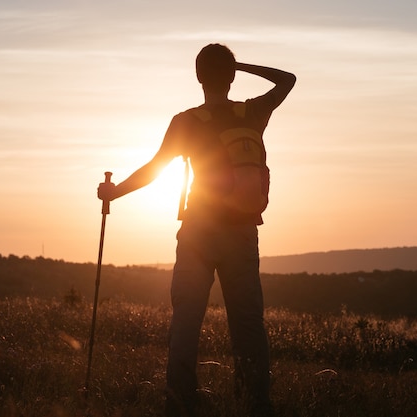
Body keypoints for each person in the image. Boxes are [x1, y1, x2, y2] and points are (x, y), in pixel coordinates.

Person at [98, 43, 296, 417]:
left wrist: (114, 192)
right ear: (233, 75)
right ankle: (255, 403)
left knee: (187, 319)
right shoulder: (251, 112)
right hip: (241, 232)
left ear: (198, 76)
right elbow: (288, 79)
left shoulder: (186, 121)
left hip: (198, 232)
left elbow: (154, 170)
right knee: (248, 323)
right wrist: (241, 65)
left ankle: (180, 401)